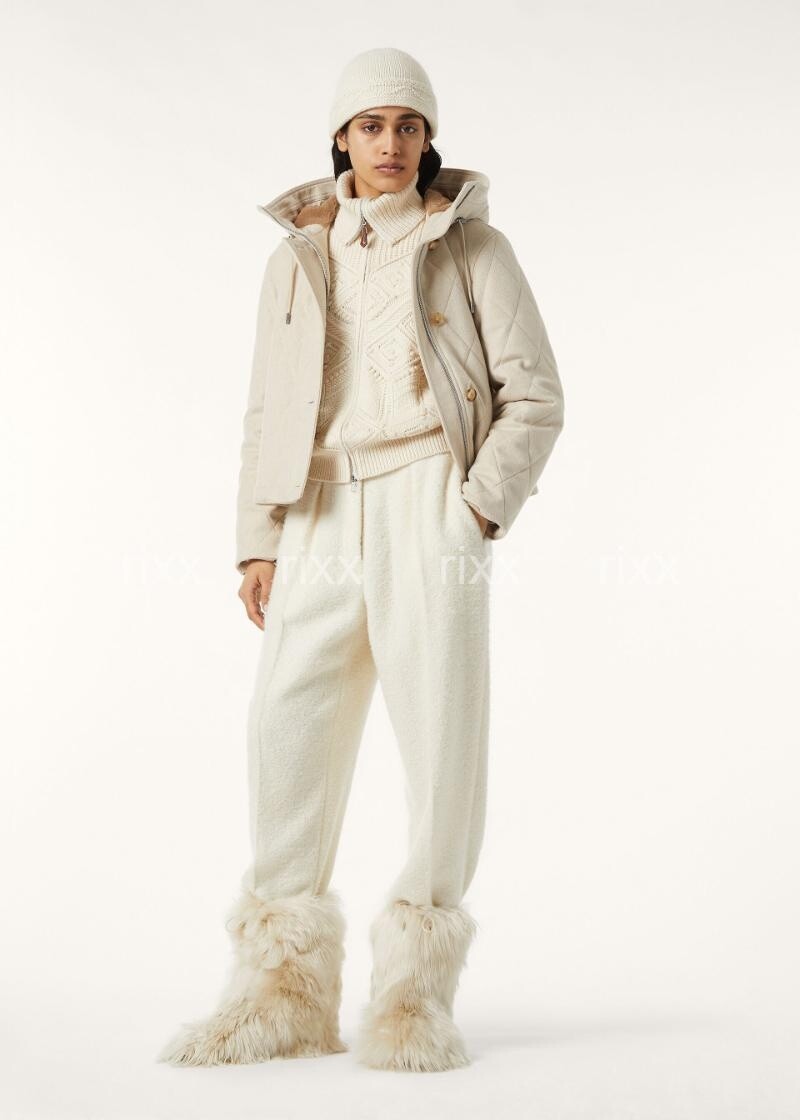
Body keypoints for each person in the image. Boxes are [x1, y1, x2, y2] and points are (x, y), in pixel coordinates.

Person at [157, 46, 564, 1073]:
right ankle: (282, 996)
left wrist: (475, 507)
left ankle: (413, 999)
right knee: (287, 727)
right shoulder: (297, 258)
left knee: (441, 735)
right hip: (318, 506)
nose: (391, 143)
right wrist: (259, 537)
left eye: (409, 126)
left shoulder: (473, 246)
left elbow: (535, 395)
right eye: (372, 125)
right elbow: (267, 407)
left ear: (429, 138)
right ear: (341, 137)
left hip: (429, 495)